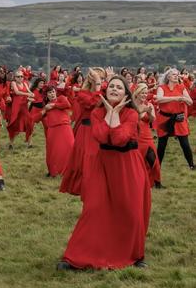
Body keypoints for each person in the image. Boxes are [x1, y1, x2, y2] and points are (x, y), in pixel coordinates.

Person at [57, 75, 151, 271]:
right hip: (104, 165)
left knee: (130, 211)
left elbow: (119, 139)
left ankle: (135, 255)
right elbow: (100, 136)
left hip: (128, 166)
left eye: (119, 87)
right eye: (111, 87)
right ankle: (77, 257)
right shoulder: (97, 113)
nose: (114, 89)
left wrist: (115, 113)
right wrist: (109, 113)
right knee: (94, 209)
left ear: (126, 93)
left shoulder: (132, 114)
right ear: (106, 91)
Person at [60, 68, 102, 197]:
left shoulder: (104, 91)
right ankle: (85, 188)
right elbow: (92, 103)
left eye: (100, 77)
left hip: (101, 130)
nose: (99, 80)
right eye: (97, 77)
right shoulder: (83, 94)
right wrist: (99, 85)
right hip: (87, 131)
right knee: (86, 160)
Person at [156, 68, 194, 170]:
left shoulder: (181, 87)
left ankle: (191, 165)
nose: (176, 76)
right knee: (162, 145)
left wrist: (184, 98)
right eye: (174, 75)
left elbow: (190, 102)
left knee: (185, 144)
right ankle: (157, 167)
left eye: (177, 74)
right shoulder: (162, 87)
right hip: (164, 118)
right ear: (168, 77)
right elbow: (159, 99)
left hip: (179, 118)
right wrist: (176, 98)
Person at [34, 85, 74, 178]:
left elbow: (67, 104)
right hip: (52, 130)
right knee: (53, 152)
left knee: (70, 148)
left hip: (65, 128)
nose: (52, 94)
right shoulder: (46, 106)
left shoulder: (61, 98)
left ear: (55, 92)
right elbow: (35, 119)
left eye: (53, 92)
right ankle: (53, 171)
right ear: (46, 95)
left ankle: (70, 170)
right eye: (49, 92)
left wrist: (54, 105)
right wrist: (45, 110)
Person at [132, 83, 162, 189]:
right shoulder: (131, 105)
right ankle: (139, 182)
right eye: (142, 93)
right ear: (137, 93)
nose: (144, 95)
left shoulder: (149, 105)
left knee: (153, 159)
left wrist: (149, 113)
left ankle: (157, 182)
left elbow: (152, 120)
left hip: (147, 136)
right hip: (135, 136)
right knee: (137, 162)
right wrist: (141, 111)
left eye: (146, 93)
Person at [7, 70, 34, 149]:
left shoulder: (25, 83)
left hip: (24, 106)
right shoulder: (13, 83)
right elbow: (17, 92)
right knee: (14, 124)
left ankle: (29, 143)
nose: (20, 78)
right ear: (15, 77)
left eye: (21, 76)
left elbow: (30, 92)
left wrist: (31, 95)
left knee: (29, 122)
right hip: (16, 106)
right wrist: (28, 94)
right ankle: (11, 143)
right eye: (18, 76)